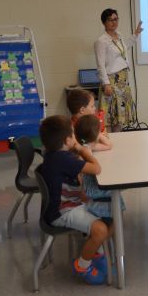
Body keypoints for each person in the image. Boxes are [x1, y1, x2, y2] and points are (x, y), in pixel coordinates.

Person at [38, 115, 113, 285]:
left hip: (67, 203)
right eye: (73, 135)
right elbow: (96, 168)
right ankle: (82, 265)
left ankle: (95, 252)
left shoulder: (54, 155)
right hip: (61, 211)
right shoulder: (63, 159)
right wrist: (85, 152)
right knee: (101, 229)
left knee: (112, 213)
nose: (75, 138)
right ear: (67, 140)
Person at [94, 8, 143, 132]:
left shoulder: (119, 35)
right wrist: (106, 84)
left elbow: (123, 49)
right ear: (104, 22)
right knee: (110, 116)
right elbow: (100, 65)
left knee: (119, 117)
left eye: (116, 19)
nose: (114, 22)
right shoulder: (101, 41)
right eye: (110, 20)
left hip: (123, 80)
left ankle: (118, 141)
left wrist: (135, 35)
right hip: (111, 81)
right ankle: (109, 141)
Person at [74, 114, 125, 219]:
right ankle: (114, 216)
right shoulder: (85, 151)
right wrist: (99, 135)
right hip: (92, 189)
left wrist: (98, 134)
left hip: (91, 186)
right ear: (95, 134)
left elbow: (109, 145)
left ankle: (115, 214)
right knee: (119, 188)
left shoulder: (87, 146)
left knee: (119, 190)